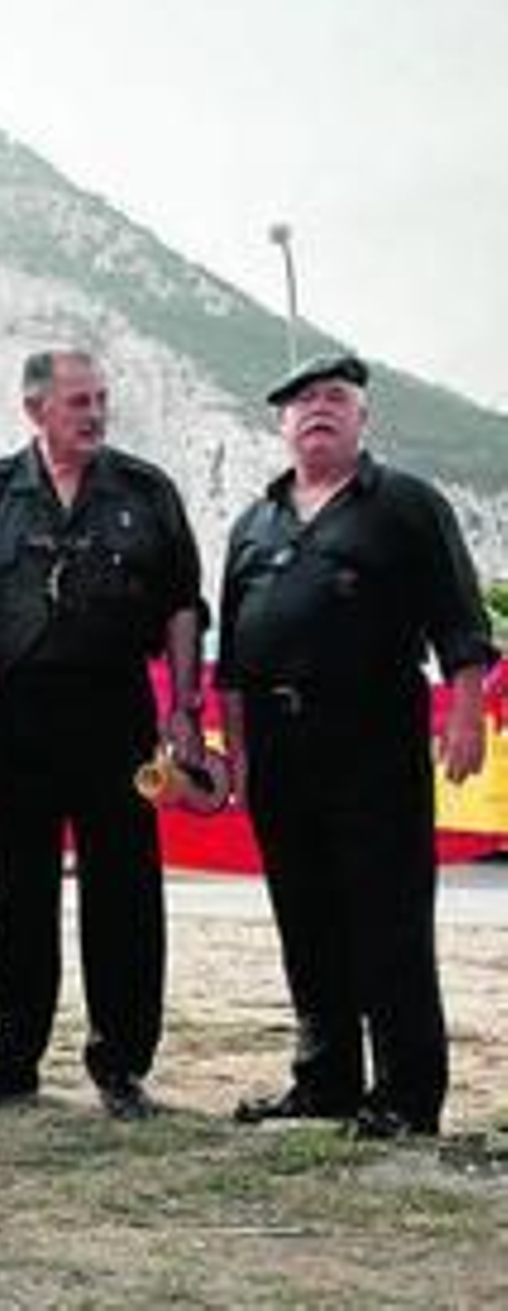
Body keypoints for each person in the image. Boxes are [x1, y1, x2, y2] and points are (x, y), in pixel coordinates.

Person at [217, 353, 496, 1140]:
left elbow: (458, 620)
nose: (319, 410)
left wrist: (467, 714)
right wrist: (236, 756)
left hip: (371, 736)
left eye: (335, 397)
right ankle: (326, 1081)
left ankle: (407, 1096)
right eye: (303, 401)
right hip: (276, 744)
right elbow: (234, 657)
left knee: (389, 918)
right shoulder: (255, 524)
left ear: (362, 418)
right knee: (305, 916)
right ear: (283, 424)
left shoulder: (404, 504)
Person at [0, 349, 204, 1121]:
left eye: (100, 400)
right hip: (12, 712)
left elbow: (183, 603)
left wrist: (184, 707)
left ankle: (121, 1067)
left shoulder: (147, 491)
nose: (94, 414)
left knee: (124, 893)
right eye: (78, 401)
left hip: (115, 712)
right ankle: (9, 1063)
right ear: (35, 410)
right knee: (15, 896)